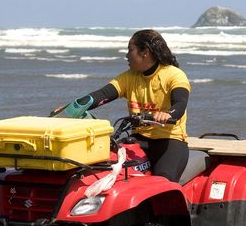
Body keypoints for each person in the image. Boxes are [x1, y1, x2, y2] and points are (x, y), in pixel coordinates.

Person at [74, 29, 191, 183]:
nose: (126, 55)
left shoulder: (173, 75)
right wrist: (73, 107)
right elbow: (102, 95)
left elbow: (180, 103)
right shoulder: (130, 76)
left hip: (170, 141)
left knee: (161, 184)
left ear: (145, 52)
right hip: (139, 139)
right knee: (110, 168)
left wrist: (168, 114)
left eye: (130, 50)